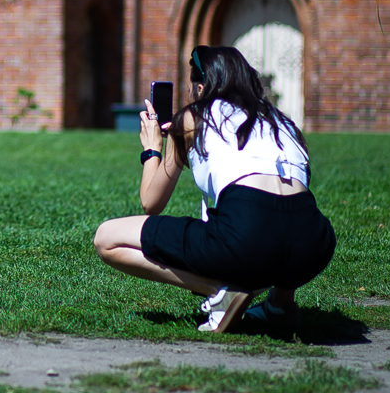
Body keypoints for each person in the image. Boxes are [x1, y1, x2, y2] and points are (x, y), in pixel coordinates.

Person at [93, 46, 336, 333]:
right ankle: (281, 306)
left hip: (247, 236)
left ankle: (221, 291)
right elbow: (287, 202)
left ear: (201, 86)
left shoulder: (193, 117)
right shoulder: (282, 121)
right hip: (314, 245)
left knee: (107, 238)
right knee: (282, 217)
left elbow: (151, 203)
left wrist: (152, 149)